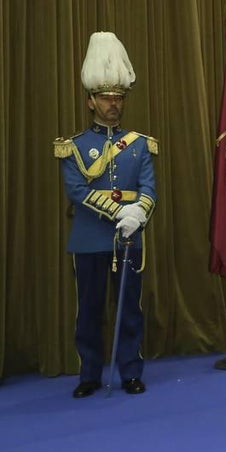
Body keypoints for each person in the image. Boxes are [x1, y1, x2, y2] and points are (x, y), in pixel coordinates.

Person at [54, 32, 157, 398]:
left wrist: (139, 214)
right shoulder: (74, 146)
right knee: (89, 311)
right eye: (106, 98)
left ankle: (131, 370)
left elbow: (149, 189)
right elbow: (77, 191)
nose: (113, 105)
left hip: (130, 239)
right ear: (90, 101)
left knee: (130, 309)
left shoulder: (141, 144)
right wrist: (120, 212)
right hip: (89, 239)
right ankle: (90, 374)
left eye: (118, 98)